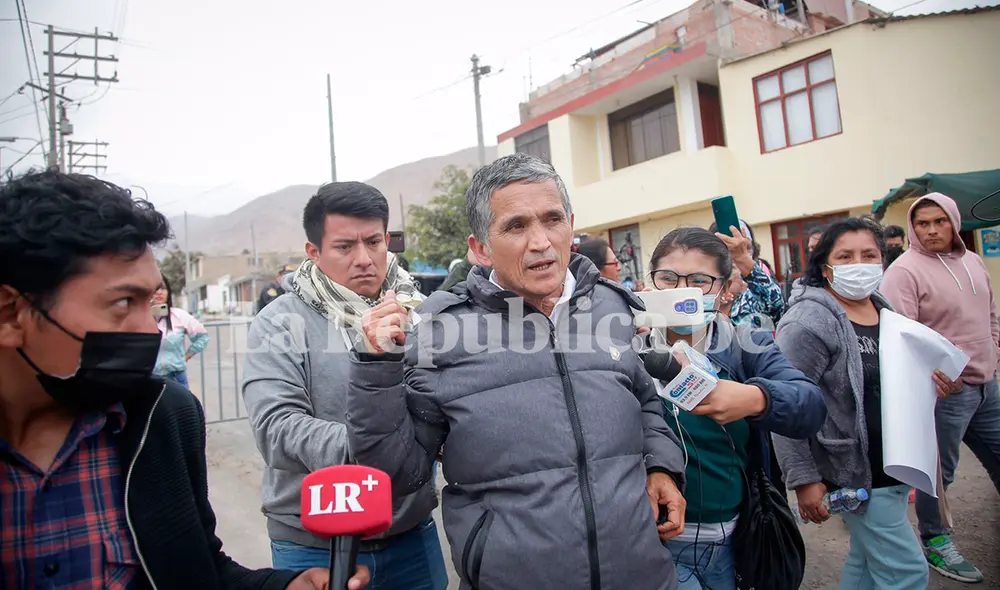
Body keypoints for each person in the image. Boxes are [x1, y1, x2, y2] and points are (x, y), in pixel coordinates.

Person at [0, 170, 369, 590]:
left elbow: (202, 571)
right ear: (12, 314)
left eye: (152, 302)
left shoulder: (165, 419)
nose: (150, 330)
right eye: (123, 302)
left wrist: (284, 586)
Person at [346, 153, 688, 590]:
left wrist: (662, 467)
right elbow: (399, 473)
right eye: (516, 226)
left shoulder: (614, 306)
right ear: (480, 249)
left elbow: (645, 403)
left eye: (552, 220)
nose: (541, 242)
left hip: (643, 575)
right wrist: (376, 368)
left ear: (571, 225)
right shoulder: (437, 332)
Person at [242, 181, 446, 589]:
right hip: (313, 542)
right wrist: (376, 450)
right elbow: (276, 426)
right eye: (344, 247)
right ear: (313, 252)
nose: (364, 259)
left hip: (410, 533)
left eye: (374, 242)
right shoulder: (280, 321)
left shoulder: (418, 313)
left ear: (388, 241)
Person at [773, 217, 960, 590]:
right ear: (825, 265)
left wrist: (932, 384)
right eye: (845, 256)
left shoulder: (882, 308)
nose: (858, 263)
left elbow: (890, 382)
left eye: (868, 254)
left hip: (892, 465)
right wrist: (804, 479)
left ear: (882, 261)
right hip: (851, 472)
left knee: (868, 569)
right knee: (907, 572)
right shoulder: (808, 321)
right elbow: (786, 403)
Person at [647, 227, 825, 590]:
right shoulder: (624, 348)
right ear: (649, 283)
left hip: (736, 537)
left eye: (700, 280)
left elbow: (810, 405)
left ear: (726, 288)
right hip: (653, 540)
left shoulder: (747, 344)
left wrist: (756, 398)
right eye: (668, 278)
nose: (683, 290)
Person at [880, 194, 1000, 583]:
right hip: (945, 393)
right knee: (937, 474)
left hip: (988, 386)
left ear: (953, 222)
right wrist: (933, 378)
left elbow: (991, 315)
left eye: (939, 222)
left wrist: (994, 352)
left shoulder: (973, 261)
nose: (931, 230)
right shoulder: (904, 271)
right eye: (923, 223)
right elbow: (901, 338)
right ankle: (935, 539)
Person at [710, 220, 784, 329]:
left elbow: (775, 306)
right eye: (730, 250)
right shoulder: (704, 299)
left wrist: (742, 259)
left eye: (747, 247)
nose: (737, 254)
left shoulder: (751, 300)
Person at [152, 275, 209, 388]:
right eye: (155, 289)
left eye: (163, 288)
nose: (159, 292)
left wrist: (186, 356)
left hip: (176, 377)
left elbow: (203, 337)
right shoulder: (140, 318)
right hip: (150, 379)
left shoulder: (179, 316)